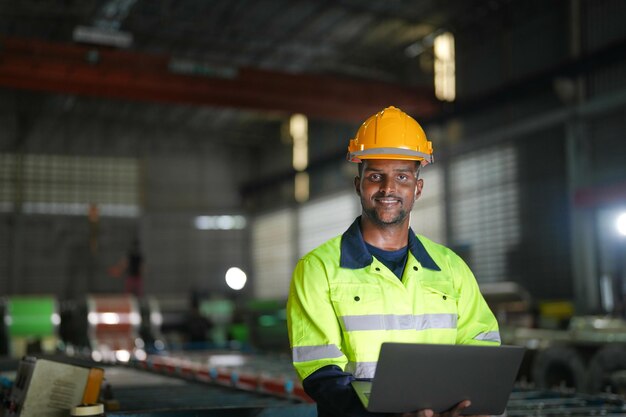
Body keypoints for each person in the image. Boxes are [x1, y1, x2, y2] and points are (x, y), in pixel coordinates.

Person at [286, 106, 501, 417]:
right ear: (358, 185)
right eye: (376, 176)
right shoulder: (318, 269)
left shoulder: (450, 268)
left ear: (418, 188)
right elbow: (319, 370)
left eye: (402, 176)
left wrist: (463, 405)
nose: (388, 188)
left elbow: (481, 346)